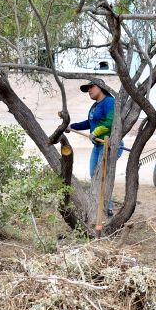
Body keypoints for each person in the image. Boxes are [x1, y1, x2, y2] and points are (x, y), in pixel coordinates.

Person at [67, 81, 122, 214]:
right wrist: (72, 126)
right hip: (97, 146)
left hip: (109, 146)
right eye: (88, 89)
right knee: (94, 175)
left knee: (102, 177)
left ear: (101, 88)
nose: (89, 91)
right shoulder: (94, 105)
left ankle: (107, 209)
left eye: (92, 87)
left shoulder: (109, 101)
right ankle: (99, 206)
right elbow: (90, 122)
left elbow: (110, 122)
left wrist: (96, 132)